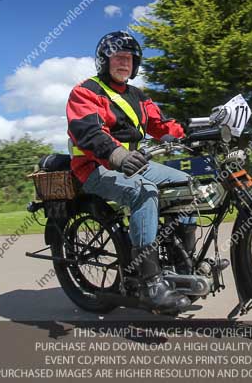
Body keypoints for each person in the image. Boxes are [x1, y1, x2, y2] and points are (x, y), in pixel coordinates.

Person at [66, 31, 196, 313]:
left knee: (186, 183)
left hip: (135, 164)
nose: (123, 63)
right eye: (117, 58)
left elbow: (162, 125)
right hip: (94, 167)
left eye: (129, 59)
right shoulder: (86, 91)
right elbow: (86, 132)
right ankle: (149, 282)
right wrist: (117, 155)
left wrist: (191, 134)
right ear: (104, 61)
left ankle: (182, 263)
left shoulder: (138, 96)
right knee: (144, 192)